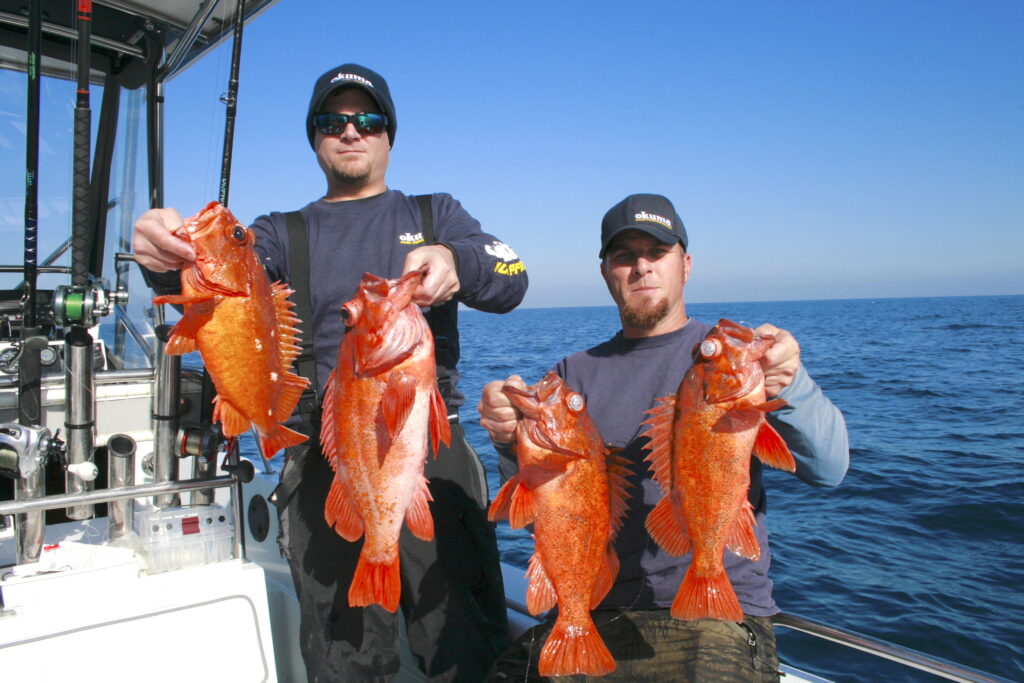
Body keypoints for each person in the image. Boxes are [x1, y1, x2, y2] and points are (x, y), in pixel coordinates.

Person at [133, 63, 527, 682]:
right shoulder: (279, 234)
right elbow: (224, 282)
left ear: (388, 135)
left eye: (367, 120)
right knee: (344, 659)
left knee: (464, 644)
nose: (351, 132)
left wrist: (457, 260)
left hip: (430, 449)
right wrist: (164, 258)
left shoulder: (436, 213)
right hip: (326, 457)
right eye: (332, 121)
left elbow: (511, 277)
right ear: (315, 138)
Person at [478, 193, 848, 681]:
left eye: (657, 252)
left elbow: (828, 467)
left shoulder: (728, 361)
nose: (642, 267)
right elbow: (546, 520)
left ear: (686, 264)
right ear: (606, 271)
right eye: (625, 255)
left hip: (714, 616)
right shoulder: (571, 376)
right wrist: (509, 442)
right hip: (593, 604)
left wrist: (791, 384)